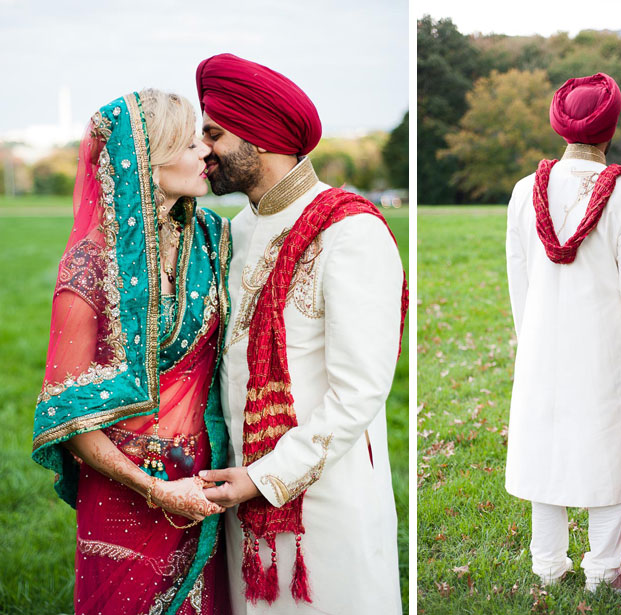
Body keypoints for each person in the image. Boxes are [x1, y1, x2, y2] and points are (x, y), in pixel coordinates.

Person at [193, 53, 408, 615]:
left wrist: (264, 479)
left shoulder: (350, 230)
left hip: (325, 503)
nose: (203, 150)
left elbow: (360, 390)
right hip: (241, 493)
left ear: (259, 138)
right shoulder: (237, 230)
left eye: (213, 133)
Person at [31, 89, 232, 614]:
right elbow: (66, 413)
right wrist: (156, 489)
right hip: (124, 487)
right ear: (150, 159)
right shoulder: (90, 266)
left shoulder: (212, 238)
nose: (206, 154)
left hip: (206, 475)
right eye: (191, 144)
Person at [504, 73, 621, 592]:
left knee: (546, 446)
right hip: (606, 343)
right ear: (610, 129)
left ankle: (547, 563)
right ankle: (604, 569)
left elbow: (518, 278)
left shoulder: (525, 192)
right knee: (607, 451)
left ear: (558, 125)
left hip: (542, 339)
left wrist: (533, 336)